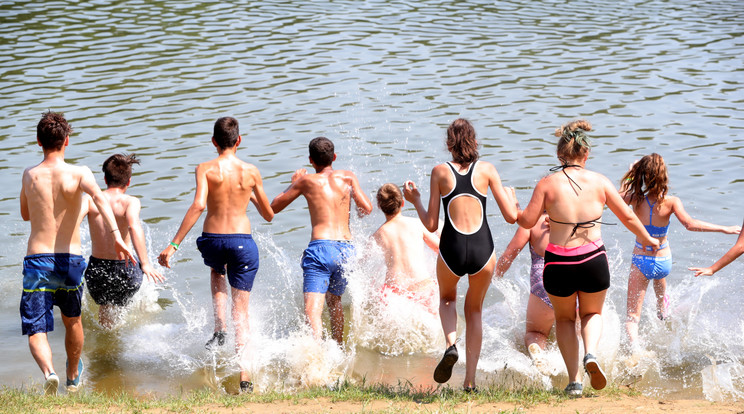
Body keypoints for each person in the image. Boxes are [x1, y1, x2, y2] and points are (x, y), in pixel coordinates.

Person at [516, 119, 659, 396]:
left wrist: (513, 208)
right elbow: (628, 216)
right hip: (593, 259)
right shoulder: (600, 182)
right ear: (586, 154)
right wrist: (648, 238)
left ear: (559, 156)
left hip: (558, 262)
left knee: (566, 320)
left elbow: (526, 221)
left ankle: (575, 381)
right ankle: (590, 353)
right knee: (592, 313)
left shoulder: (547, 184)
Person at [19, 111, 135, 395]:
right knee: (73, 320)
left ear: (38, 142)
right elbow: (100, 199)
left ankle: (49, 372)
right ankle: (72, 375)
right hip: (70, 260)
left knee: (37, 328)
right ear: (67, 141)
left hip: (38, 261)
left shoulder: (29, 175)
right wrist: (117, 237)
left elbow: (25, 215)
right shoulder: (80, 172)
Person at [158, 117, 273, 393]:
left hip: (212, 241)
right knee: (242, 314)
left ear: (213, 142)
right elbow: (269, 215)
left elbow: (199, 205)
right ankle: (245, 377)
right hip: (243, 242)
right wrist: (249, 194)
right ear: (239, 140)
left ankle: (219, 328)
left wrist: (173, 245)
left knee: (217, 268)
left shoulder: (205, 168)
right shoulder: (251, 171)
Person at [403, 118, 518, 392]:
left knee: (446, 299)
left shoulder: (439, 172)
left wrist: (415, 200)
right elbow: (512, 217)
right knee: (474, 310)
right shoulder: (487, 170)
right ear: (475, 142)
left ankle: (451, 344)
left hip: (452, 248)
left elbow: (431, 224)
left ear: (448, 144)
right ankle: (470, 382)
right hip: (482, 249)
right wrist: (513, 201)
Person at [619, 153, 740, 349]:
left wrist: (632, 175)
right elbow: (690, 225)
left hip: (641, 260)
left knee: (632, 317)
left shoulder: (634, 199)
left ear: (642, 175)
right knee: (658, 276)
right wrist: (723, 228)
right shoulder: (671, 201)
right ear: (663, 175)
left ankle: (636, 350)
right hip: (663, 262)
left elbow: (616, 199)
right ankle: (662, 310)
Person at [270, 137, 373, 346]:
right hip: (346, 250)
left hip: (321, 250)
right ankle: (338, 349)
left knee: (312, 311)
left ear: (311, 160)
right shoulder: (348, 177)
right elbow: (366, 209)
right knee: (334, 301)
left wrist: (294, 182)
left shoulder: (306, 181)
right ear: (334, 157)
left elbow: (273, 207)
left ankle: (318, 359)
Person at [82, 154, 164, 329]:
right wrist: (146, 264)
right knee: (123, 303)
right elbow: (134, 228)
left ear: (104, 179)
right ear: (129, 182)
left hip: (98, 268)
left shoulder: (90, 200)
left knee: (105, 309)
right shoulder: (130, 202)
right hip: (124, 267)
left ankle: (109, 337)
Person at [495, 212, 554, 375]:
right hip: (573, 274)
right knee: (573, 326)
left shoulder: (532, 221)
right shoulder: (572, 216)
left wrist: (496, 275)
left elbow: (509, 255)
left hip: (543, 277)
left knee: (536, 332)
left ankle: (538, 350)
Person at [372, 183, 440, 310]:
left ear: (379, 206)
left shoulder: (377, 235)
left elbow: (364, 261)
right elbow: (439, 249)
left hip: (395, 291)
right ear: (403, 203)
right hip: (422, 284)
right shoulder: (417, 224)